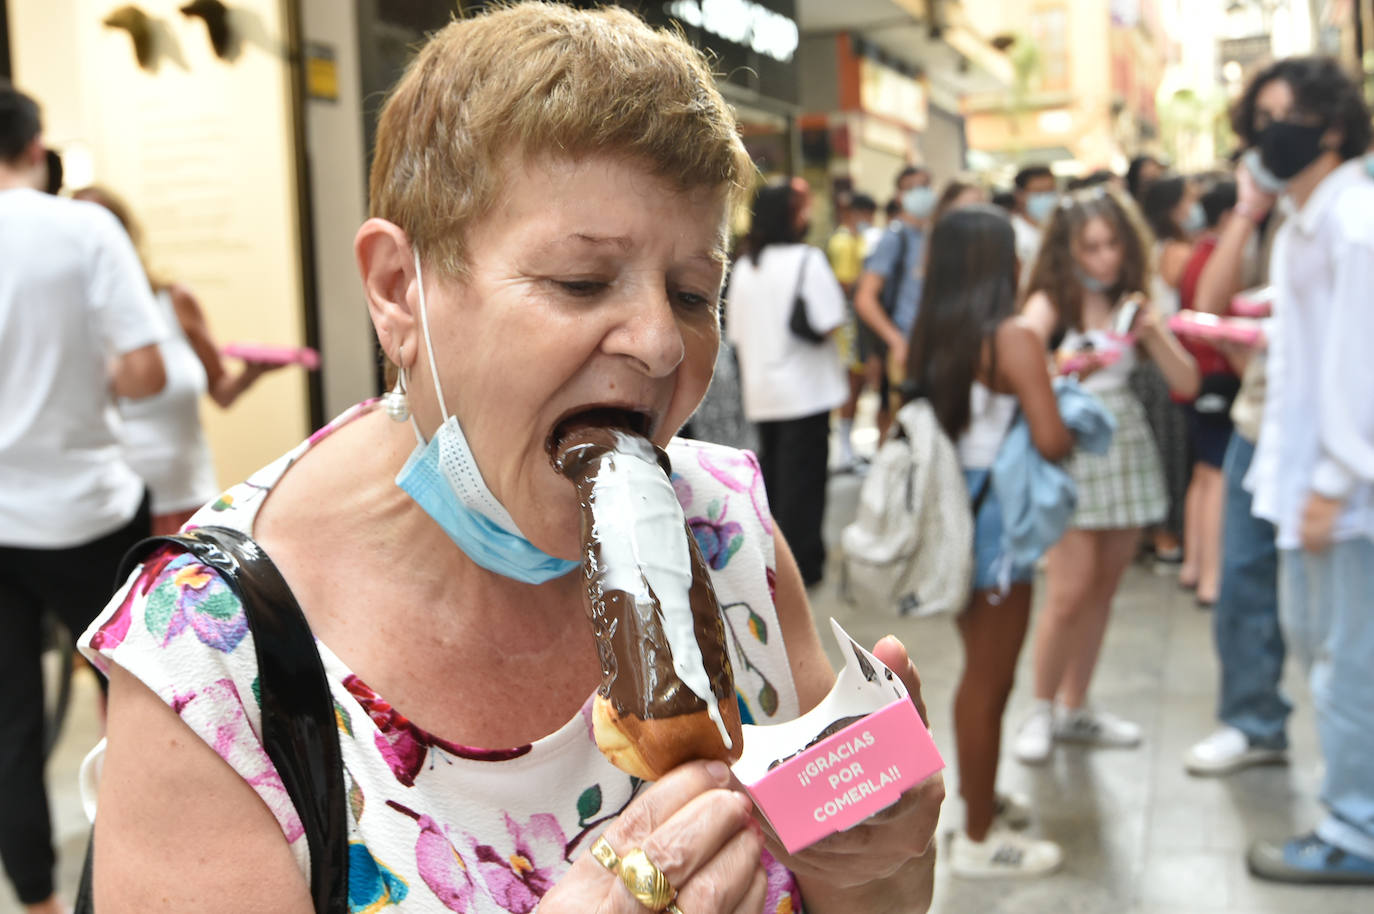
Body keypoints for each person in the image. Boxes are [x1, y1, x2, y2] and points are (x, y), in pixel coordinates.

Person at [78, 7, 945, 911]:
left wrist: (883, 860)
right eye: (581, 281)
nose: (659, 343)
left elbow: (865, 897)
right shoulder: (210, 664)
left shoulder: (726, 534)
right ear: (395, 291)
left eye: (694, 292)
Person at [0, 82, 166, 914]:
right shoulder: (82, 227)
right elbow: (146, 369)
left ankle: (35, 900)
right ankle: (130, 886)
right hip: (86, 510)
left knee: (10, 722)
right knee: (134, 704)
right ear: (36, 147)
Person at [1227, 56, 1374, 886]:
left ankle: (1359, 831)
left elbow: (1362, 372)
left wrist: (1333, 484)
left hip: (1346, 495)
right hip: (1311, 484)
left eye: (1280, 115)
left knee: (1349, 665)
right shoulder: (1308, 219)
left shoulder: (1354, 221)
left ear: (1330, 126)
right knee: (1331, 657)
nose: (1263, 135)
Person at [906, 205, 1073, 877]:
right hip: (999, 524)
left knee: (981, 669)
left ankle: (981, 799)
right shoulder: (1011, 337)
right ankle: (977, 840)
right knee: (989, 682)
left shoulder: (933, 333)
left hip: (954, 517)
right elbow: (1054, 439)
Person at [1014, 186, 1198, 764]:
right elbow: (1015, 357)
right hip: (1070, 445)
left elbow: (1188, 382)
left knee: (1103, 591)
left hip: (1125, 445)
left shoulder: (1136, 303)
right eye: (1089, 247)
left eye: (1112, 244)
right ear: (1067, 250)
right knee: (1068, 593)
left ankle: (1077, 706)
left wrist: (1152, 333)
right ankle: (1042, 709)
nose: (1102, 259)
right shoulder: (1053, 298)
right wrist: (1065, 366)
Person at [73, 185, 281, 535]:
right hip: (118, 515)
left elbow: (222, 393)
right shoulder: (74, 324)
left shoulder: (176, 301)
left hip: (191, 502)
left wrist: (251, 374)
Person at [1183, 162, 1293, 780]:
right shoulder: (1270, 219)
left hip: (1333, 432)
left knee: (1328, 606)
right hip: (1258, 421)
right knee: (1245, 581)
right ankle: (1255, 722)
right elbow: (1209, 304)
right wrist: (1248, 211)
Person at [726, 178, 849, 587]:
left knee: (774, 484)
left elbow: (736, 335)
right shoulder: (806, 260)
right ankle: (803, 569)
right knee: (806, 484)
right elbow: (831, 319)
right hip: (807, 392)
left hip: (761, 392)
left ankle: (771, 563)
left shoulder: (744, 265)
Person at [1175, 180, 1241, 607]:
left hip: (1199, 377)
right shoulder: (1217, 256)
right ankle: (1211, 577)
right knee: (1215, 476)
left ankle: (1195, 566)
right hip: (1215, 374)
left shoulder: (1198, 253)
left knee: (1203, 475)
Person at [1136, 175, 1201, 573]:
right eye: (1190, 198)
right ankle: (1166, 537)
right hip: (1165, 360)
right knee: (1171, 454)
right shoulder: (1177, 250)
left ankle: (1157, 536)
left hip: (1155, 361)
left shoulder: (1149, 246)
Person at [854, 165, 933, 397]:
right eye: (911, 188)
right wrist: (896, 341)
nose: (920, 193)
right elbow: (865, 298)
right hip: (907, 348)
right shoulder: (894, 237)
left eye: (924, 187)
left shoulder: (936, 233)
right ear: (899, 195)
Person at [827, 191, 878, 471]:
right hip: (848, 321)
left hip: (856, 319)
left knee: (857, 384)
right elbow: (845, 283)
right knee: (851, 382)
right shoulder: (844, 242)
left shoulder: (857, 239)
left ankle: (849, 447)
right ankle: (844, 449)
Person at [1009, 165, 1058, 273]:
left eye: (1050, 191)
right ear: (1019, 195)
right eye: (1038, 192)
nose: (1046, 197)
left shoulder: (1064, 228)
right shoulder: (1012, 232)